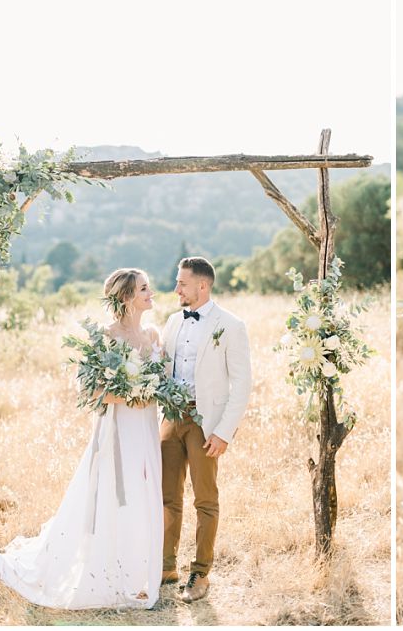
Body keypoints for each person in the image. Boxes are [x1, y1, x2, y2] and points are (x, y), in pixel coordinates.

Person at [0, 269, 163, 609]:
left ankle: (137, 576)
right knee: (115, 497)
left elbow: (162, 379)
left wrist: (154, 392)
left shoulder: (153, 335)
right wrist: (131, 395)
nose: (151, 292)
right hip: (117, 432)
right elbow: (89, 390)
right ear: (125, 297)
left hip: (147, 430)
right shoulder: (105, 337)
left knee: (143, 497)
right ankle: (106, 576)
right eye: (144, 288)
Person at [160, 256, 252, 602]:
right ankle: (166, 567)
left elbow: (242, 383)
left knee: (205, 500)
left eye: (181, 283)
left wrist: (224, 431)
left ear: (203, 285)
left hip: (205, 422)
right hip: (171, 418)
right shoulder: (171, 322)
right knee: (168, 497)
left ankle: (200, 573)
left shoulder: (230, 325)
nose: (176, 289)